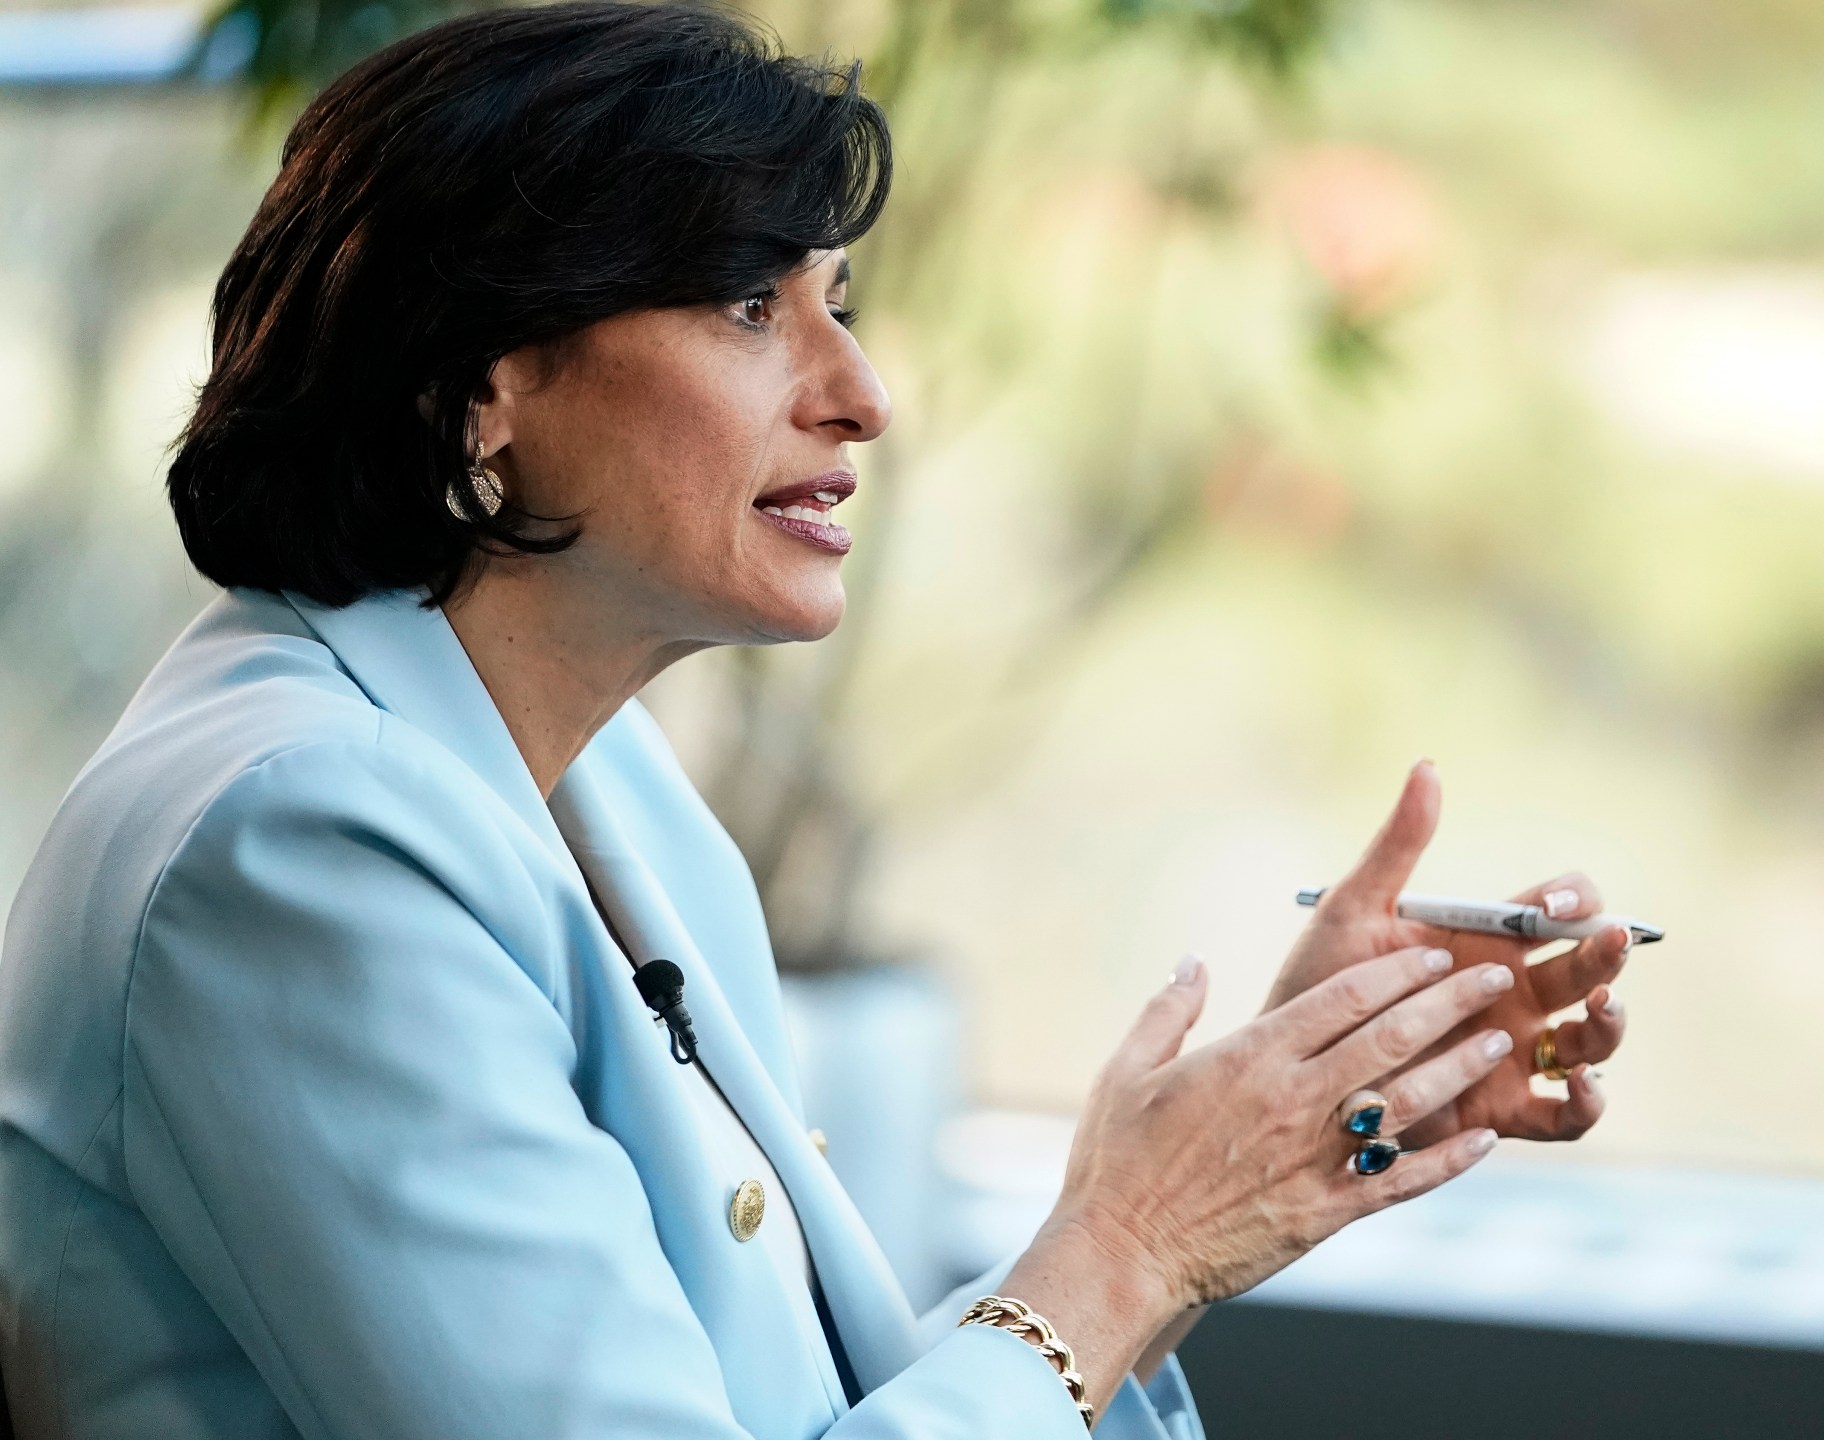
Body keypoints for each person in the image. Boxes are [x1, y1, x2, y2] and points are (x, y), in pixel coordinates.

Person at [0, 5, 1634, 1438]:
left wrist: (1279, 1124)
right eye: (746, 308)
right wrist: (1137, 1236)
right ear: (484, 384)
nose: (860, 390)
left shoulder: (597, 782)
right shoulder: (300, 844)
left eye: (836, 299)